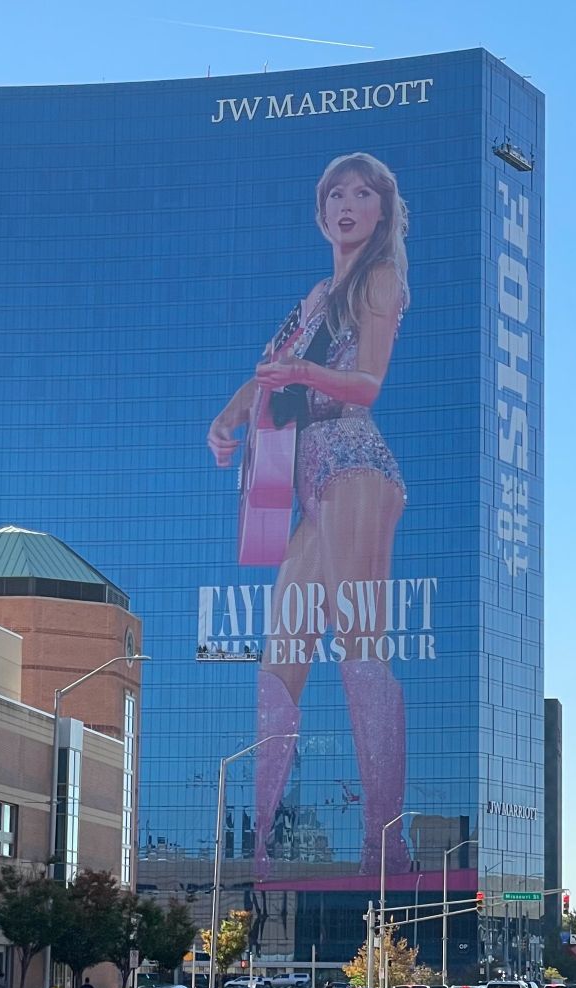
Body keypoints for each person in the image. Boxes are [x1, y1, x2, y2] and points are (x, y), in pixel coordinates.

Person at [207, 152, 412, 877]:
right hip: (305, 474)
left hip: (354, 462)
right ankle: (259, 846)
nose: (348, 203)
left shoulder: (379, 278)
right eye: (336, 193)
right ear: (321, 211)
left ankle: (384, 843)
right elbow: (268, 364)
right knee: (281, 651)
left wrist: (299, 375)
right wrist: (228, 417)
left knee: (360, 639)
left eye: (363, 193)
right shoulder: (319, 291)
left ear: (381, 211)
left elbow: (366, 384)